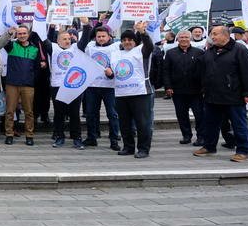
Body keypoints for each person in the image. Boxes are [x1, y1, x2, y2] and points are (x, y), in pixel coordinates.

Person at [194, 25, 248, 162]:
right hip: (212, 96)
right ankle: (209, 147)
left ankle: (243, 151)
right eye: (211, 34)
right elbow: (203, 70)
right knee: (211, 123)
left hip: (233, 95)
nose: (212, 36)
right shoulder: (210, 51)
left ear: (226, 35)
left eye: (215, 34)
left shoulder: (240, 50)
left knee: (239, 124)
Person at [104, 22, 154, 159]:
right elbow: (115, 73)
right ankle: (128, 147)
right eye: (124, 40)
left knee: (142, 123)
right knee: (124, 123)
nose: (127, 42)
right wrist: (109, 74)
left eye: (130, 40)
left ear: (135, 41)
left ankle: (143, 149)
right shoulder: (115, 54)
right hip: (121, 93)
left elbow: (150, 45)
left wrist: (142, 32)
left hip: (140, 92)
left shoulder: (141, 50)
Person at [45, 21, 92, 150]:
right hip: (57, 86)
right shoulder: (53, 48)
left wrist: (87, 25)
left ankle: (77, 138)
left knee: (74, 114)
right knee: (59, 114)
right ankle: (59, 137)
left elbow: (86, 38)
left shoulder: (76, 48)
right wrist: (52, 27)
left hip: (73, 86)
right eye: (64, 39)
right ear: (58, 41)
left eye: (69, 38)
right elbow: (45, 40)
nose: (67, 41)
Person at [2, 25, 44, 146]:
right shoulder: (11, 46)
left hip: (28, 85)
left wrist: (32, 80)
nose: (22, 35)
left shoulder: (35, 49)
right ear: (17, 35)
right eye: (19, 33)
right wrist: (9, 33)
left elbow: (37, 69)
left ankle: (29, 136)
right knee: (10, 111)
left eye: (24, 33)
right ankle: (9, 134)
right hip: (12, 84)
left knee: (29, 112)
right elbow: (2, 41)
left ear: (28, 34)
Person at [82, 22, 121, 151]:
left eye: (103, 36)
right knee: (91, 113)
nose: (101, 39)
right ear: (95, 37)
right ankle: (91, 138)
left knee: (112, 114)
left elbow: (121, 63)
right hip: (92, 86)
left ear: (109, 36)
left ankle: (114, 139)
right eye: (99, 36)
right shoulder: (90, 46)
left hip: (110, 86)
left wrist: (112, 72)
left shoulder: (116, 47)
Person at [163, 30, 205, 147]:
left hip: (196, 90)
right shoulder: (170, 53)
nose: (184, 39)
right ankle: (186, 135)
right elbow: (166, 71)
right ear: (178, 39)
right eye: (181, 37)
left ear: (190, 38)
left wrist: (204, 86)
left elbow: (204, 71)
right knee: (181, 115)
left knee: (199, 114)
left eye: (186, 37)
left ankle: (201, 136)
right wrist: (168, 86)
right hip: (178, 90)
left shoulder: (199, 52)